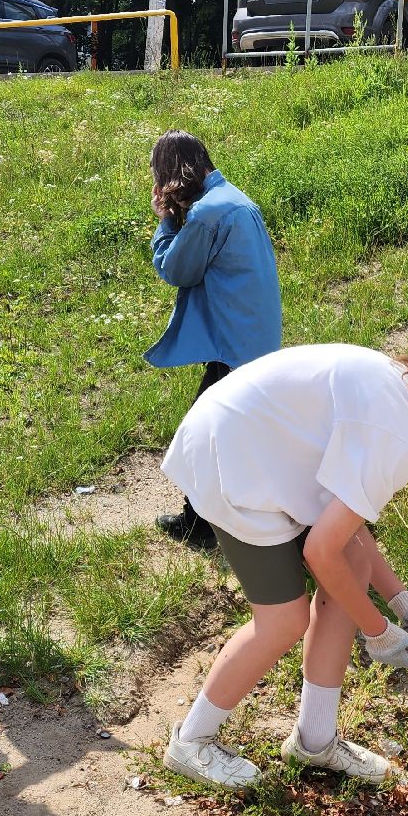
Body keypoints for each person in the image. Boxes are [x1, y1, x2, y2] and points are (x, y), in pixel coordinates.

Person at [159, 343, 408, 788]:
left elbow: (350, 537)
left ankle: (314, 742)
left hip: (262, 444)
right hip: (232, 457)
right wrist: (378, 631)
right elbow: (321, 551)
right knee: (283, 619)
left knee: (353, 566)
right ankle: (191, 740)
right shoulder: (402, 440)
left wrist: (400, 599)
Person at [145, 130, 281, 550]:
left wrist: (166, 221)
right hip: (255, 340)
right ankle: (256, 517)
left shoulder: (207, 214)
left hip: (233, 350)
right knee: (234, 436)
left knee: (200, 435)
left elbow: (175, 269)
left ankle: (201, 526)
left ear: (172, 176)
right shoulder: (237, 199)